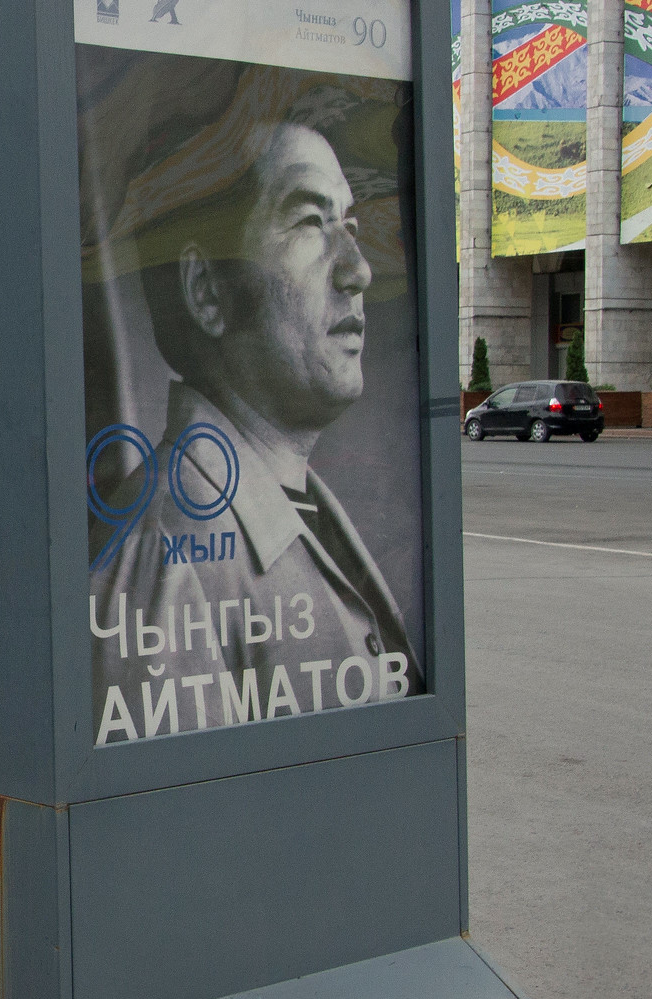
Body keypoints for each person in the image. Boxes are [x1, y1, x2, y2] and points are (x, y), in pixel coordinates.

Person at [92, 120, 415, 745]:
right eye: (309, 224)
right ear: (207, 290)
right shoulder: (163, 566)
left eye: (349, 224)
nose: (358, 270)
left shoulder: (286, 500)